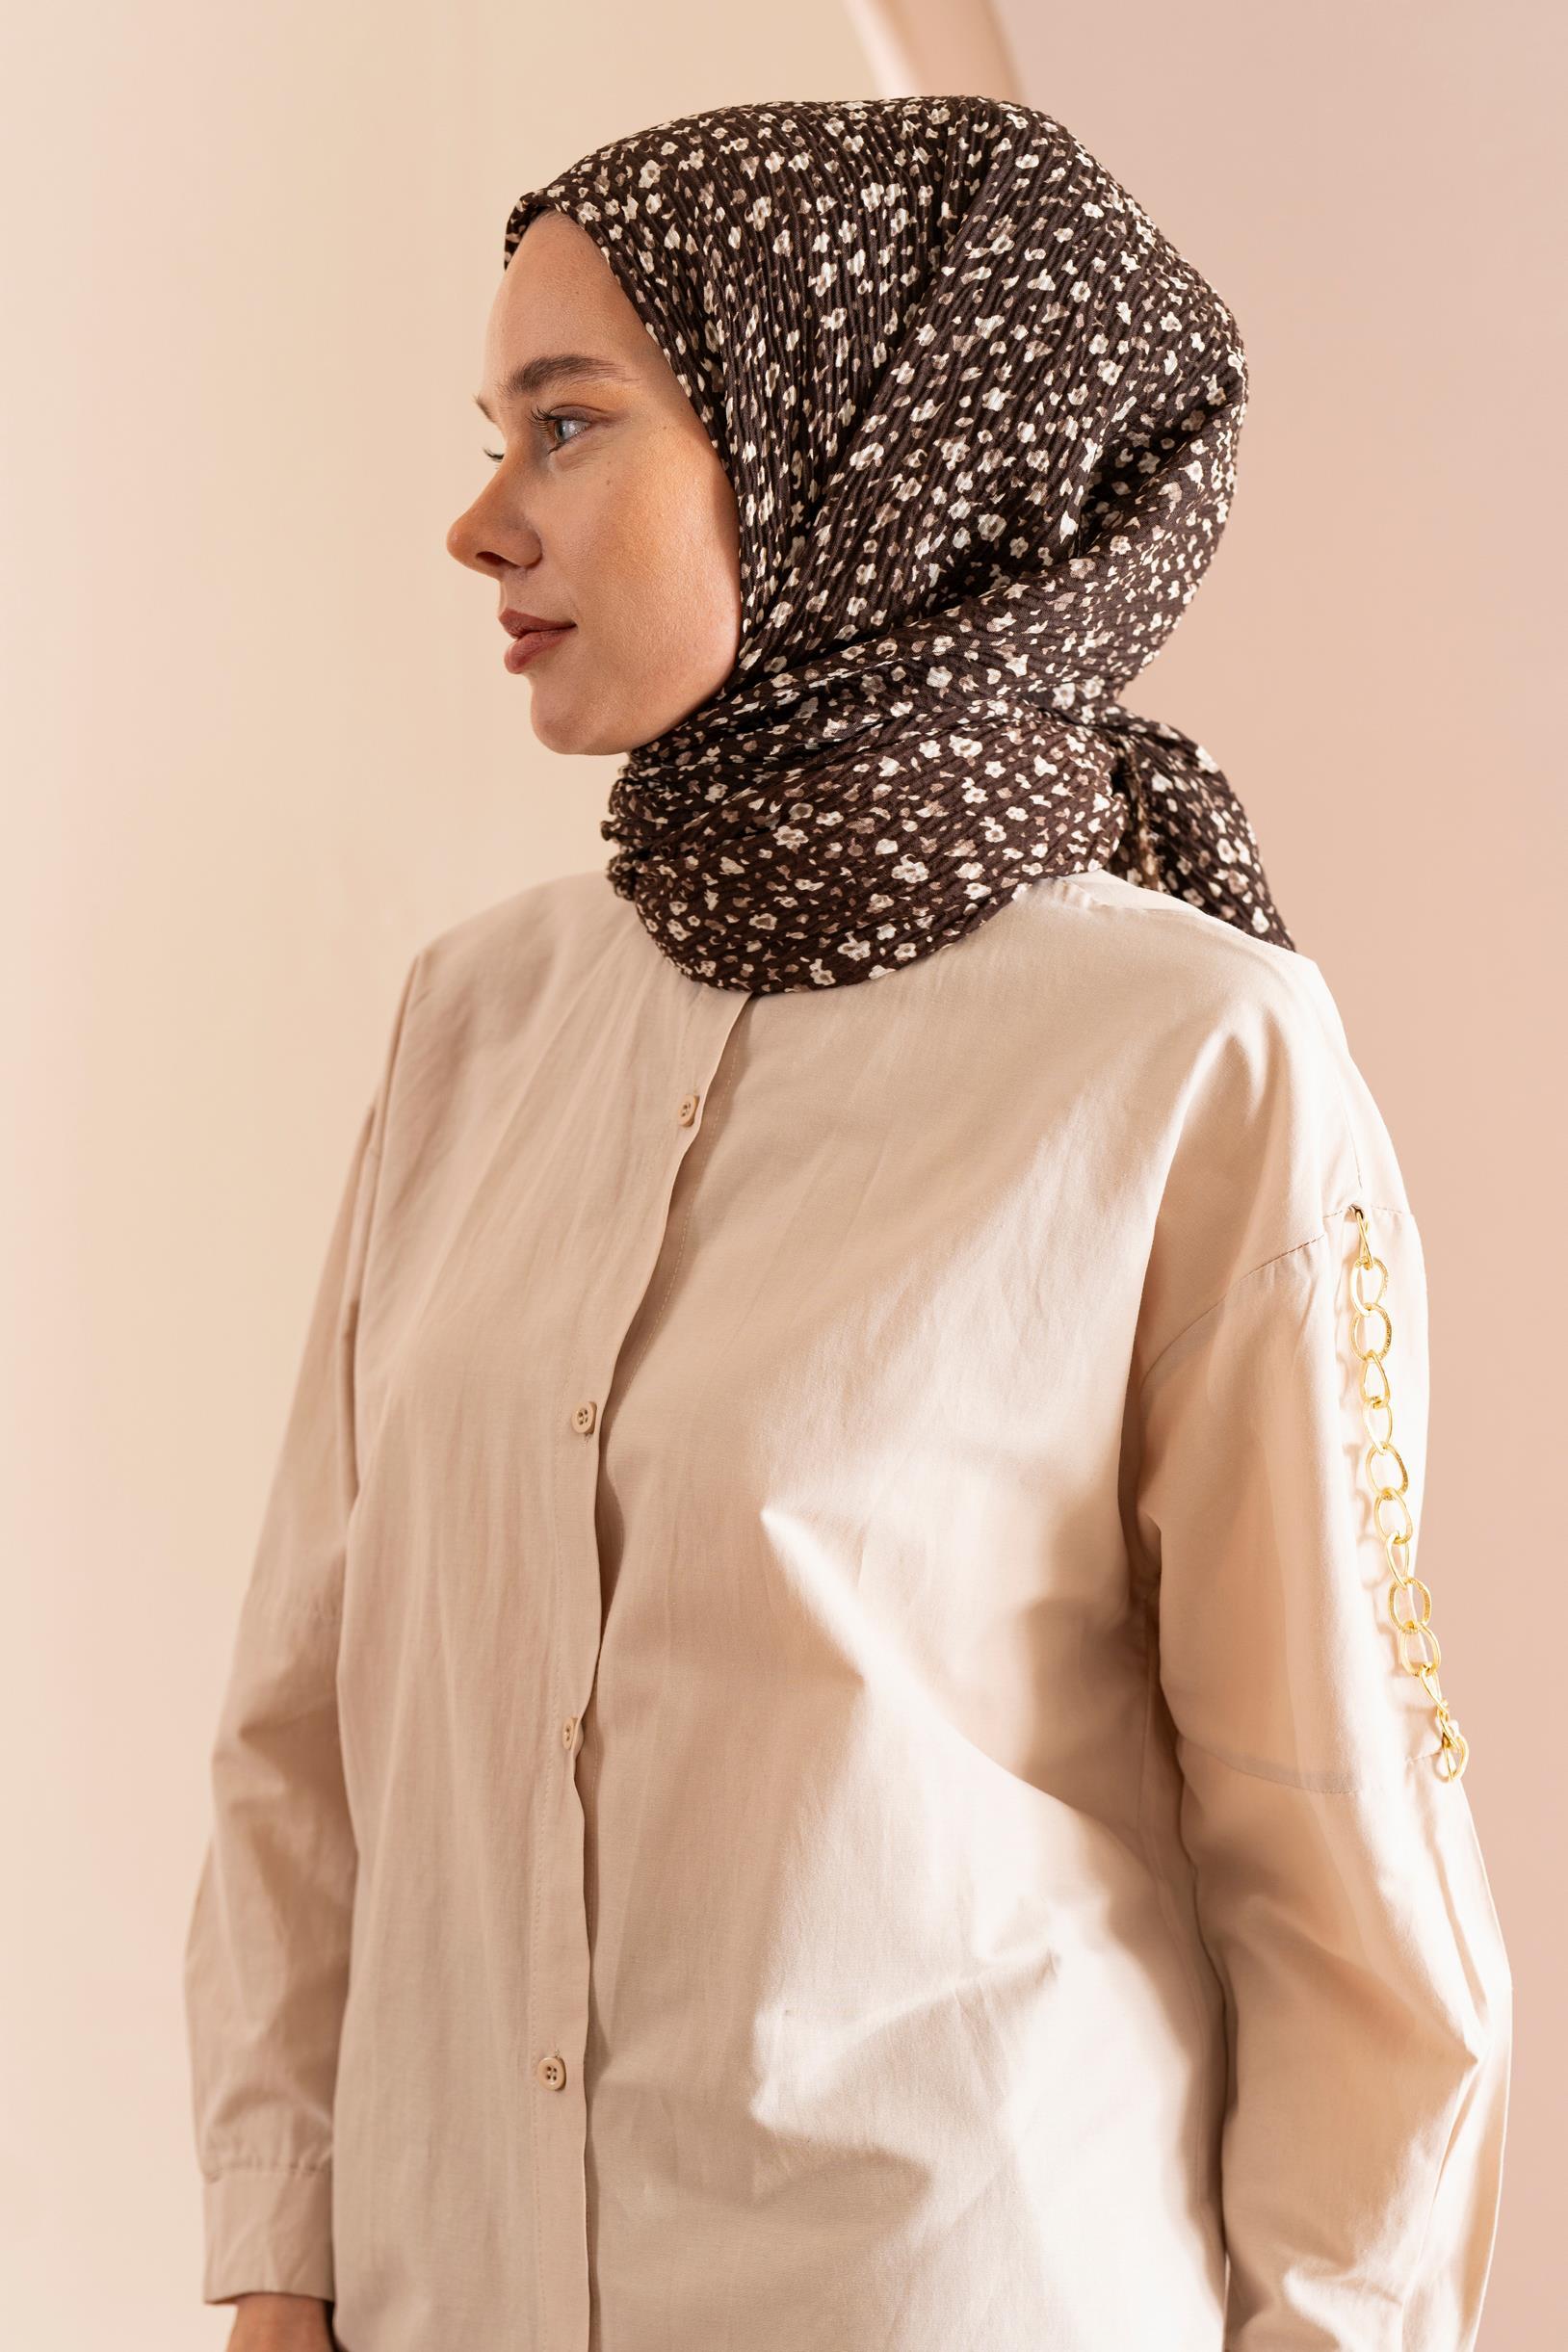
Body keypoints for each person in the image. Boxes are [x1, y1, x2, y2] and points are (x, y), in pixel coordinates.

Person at [182, 94, 1512, 2352]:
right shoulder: (477, 1022)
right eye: (495, 435)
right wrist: (278, 2268)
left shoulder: (1185, 1053)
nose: (481, 521)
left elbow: (1338, 1857)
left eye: (566, 424)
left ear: (846, 450)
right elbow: (304, 1725)